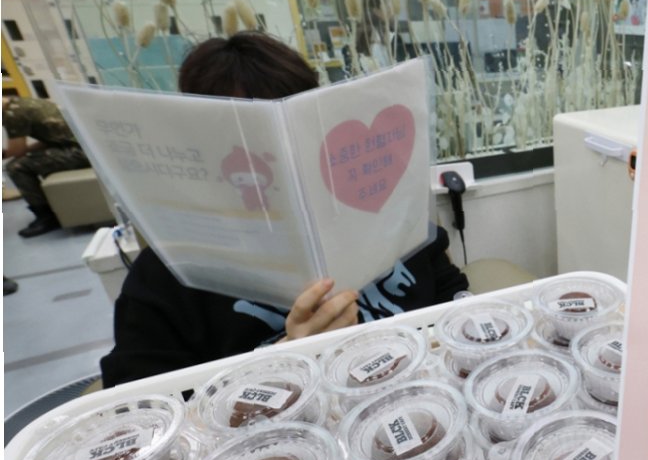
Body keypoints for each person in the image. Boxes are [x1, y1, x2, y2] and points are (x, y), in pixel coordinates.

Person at [100, 32, 469, 387]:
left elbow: (450, 291)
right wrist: (284, 362)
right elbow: (135, 401)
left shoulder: (383, 208)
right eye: (243, 143)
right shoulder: (169, 272)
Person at [2, 95, 93, 237]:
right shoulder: (25, 103)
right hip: (84, 147)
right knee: (26, 160)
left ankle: (46, 217)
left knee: (16, 167)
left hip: (79, 152)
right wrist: (27, 152)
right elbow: (49, 139)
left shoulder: (13, 115)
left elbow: (17, 150)